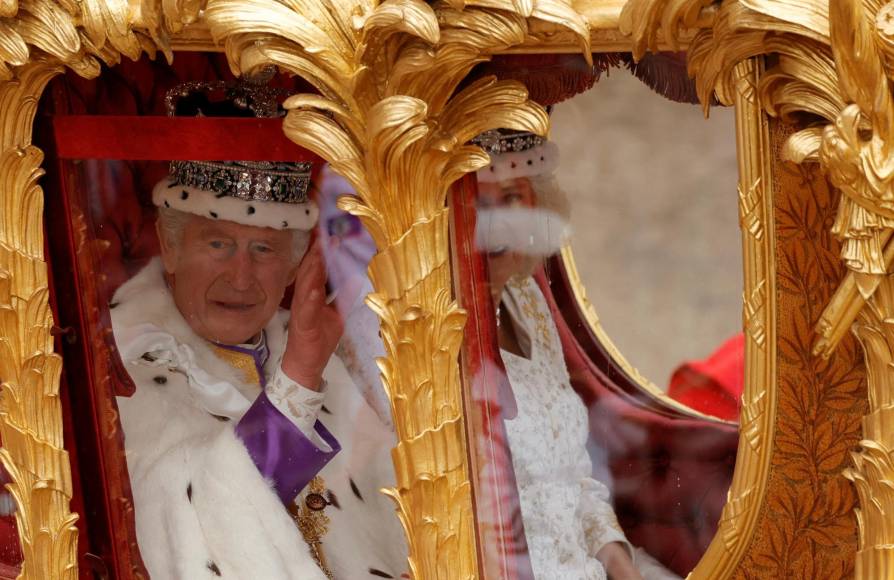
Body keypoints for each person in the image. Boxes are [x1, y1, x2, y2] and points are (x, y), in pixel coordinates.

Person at [111, 78, 405, 580]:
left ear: (294, 266)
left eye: (265, 249)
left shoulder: (306, 343)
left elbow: (392, 501)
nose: (241, 278)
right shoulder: (127, 359)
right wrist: (297, 378)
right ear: (170, 245)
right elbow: (193, 516)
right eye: (218, 244)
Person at [473, 130, 679, 580]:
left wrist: (622, 568)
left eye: (511, 197)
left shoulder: (526, 299)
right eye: (477, 204)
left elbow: (576, 481)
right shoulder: (439, 329)